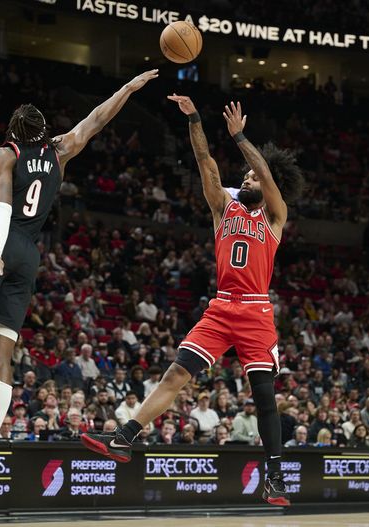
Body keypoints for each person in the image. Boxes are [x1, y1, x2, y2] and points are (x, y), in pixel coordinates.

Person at [0, 69, 157, 505]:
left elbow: (0, 205)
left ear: (12, 132)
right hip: (29, 254)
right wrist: (128, 89)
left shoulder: (4, 154)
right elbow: (96, 119)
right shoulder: (60, 151)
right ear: (44, 131)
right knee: (1, 357)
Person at [84, 96, 303, 506]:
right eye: (245, 177)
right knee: (175, 374)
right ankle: (124, 438)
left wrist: (239, 137)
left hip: (255, 310)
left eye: (253, 177)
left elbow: (265, 173)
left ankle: (275, 478)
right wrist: (195, 120)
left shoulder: (275, 215)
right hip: (221, 307)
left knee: (263, 397)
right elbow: (205, 161)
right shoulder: (223, 207)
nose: (247, 180)